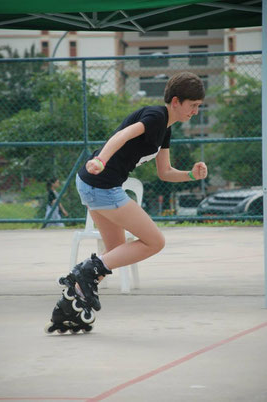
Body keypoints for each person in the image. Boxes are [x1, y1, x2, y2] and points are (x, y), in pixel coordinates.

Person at [45, 71, 208, 334]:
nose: (196, 112)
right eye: (193, 106)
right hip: (102, 184)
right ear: (176, 101)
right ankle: (82, 274)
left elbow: (164, 172)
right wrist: (101, 160)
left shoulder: (165, 129)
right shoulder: (156, 116)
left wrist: (191, 174)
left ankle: (69, 305)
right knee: (155, 241)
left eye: (199, 106)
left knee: (114, 253)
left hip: (93, 185)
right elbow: (121, 136)